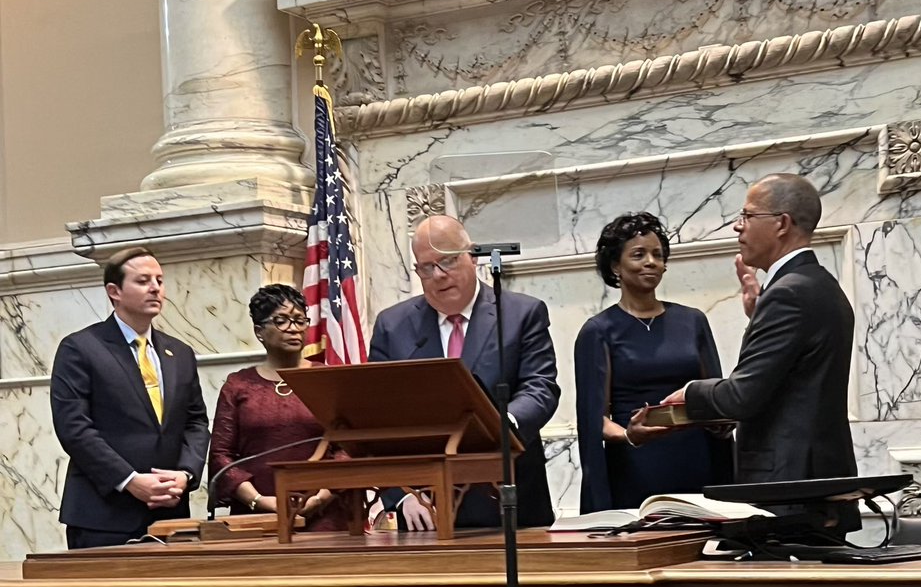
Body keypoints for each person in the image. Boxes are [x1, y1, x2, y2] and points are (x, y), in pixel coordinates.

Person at [663, 173, 859, 531]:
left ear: (782, 223)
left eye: (748, 216)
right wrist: (758, 314)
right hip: (816, 484)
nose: (738, 227)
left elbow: (742, 396)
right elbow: (791, 381)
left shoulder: (789, 295)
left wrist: (690, 393)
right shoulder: (818, 285)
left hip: (788, 490)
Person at [368, 215, 560, 530]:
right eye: (427, 268)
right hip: (425, 508)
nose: (439, 276)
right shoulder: (393, 326)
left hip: (509, 496)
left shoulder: (520, 313)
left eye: (448, 261)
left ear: (471, 256)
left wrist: (503, 425)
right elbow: (378, 416)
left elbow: (540, 387)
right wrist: (401, 494)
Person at [50, 247, 210, 549]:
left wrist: (186, 474)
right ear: (114, 291)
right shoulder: (81, 348)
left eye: (160, 281)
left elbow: (195, 422)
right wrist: (129, 480)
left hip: (170, 515)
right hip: (103, 515)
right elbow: (74, 429)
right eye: (143, 281)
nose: (155, 288)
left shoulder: (181, 353)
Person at [575, 213, 733, 513]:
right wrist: (629, 436)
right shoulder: (598, 330)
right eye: (639, 254)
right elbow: (593, 418)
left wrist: (726, 420)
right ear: (615, 267)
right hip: (635, 463)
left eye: (658, 255)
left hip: (697, 459)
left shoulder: (693, 321)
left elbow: (714, 397)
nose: (651, 262)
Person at [208, 284, 347, 531]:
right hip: (256, 520)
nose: (293, 329)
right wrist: (258, 500)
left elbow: (348, 448)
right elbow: (221, 456)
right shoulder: (238, 385)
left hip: (325, 516)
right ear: (259, 331)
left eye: (300, 320)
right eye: (281, 321)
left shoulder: (328, 380)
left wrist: (321, 496)